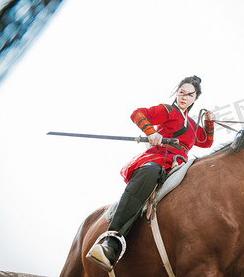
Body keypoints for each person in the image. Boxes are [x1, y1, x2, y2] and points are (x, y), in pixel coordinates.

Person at [86, 75, 215, 272]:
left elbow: (205, 141)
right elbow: (138, 114)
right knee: (149, 172)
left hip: (179, 165)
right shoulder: (167, 110)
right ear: (176, 93)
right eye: (181, 92)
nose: (184, 97)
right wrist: (151, 132)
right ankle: (110, 240)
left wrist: (209, 123)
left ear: (195, 99)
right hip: (158, 159)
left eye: (189, 95)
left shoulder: (190, 124)